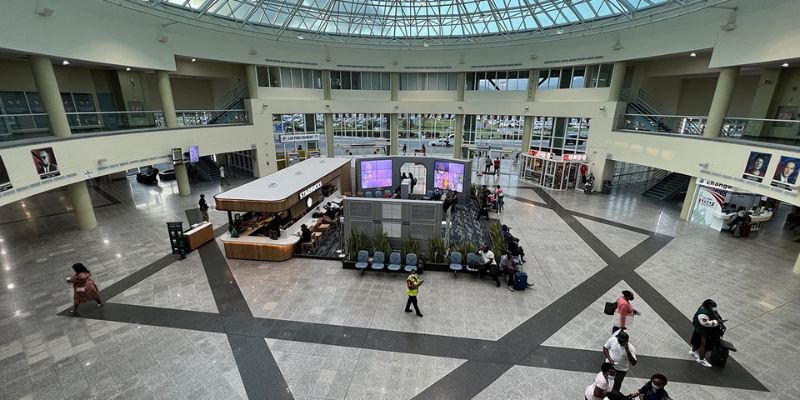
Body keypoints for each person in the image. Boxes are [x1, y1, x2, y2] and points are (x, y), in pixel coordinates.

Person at [690, 299, 721, 368]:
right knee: (703, 344)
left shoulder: (704, 307)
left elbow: (715, 312)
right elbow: (706, 323)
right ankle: (701, 359)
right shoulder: (702, 314)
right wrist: (717, 322)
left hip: (699, 328)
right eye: (712, 307)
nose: (714, 308)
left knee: (696, 340)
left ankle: (693, 351)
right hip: (703, 330)